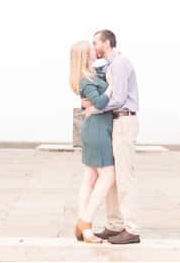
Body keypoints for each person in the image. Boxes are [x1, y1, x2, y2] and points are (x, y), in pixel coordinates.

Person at [83, 29, 141, 245]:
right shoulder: (110, 66)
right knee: (113, 176)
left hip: (124, 120)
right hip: (115, 121)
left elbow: (118, 98)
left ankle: (132, 229)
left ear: (106, 43)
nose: (93, 46)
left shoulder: (120, 63)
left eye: (95, 42)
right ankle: (114, 225)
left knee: (125, 175)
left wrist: (94, 110)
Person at [68, 40, 114, 243]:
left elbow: (106, 70)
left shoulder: (92, 74)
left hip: (96, 126)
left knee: (90, 176)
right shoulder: (85, 80)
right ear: (86, 55)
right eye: (91, 49)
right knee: (108, 175)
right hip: (96, 129)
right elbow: (101, 102)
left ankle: (83, 227)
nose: (95, 51)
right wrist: (112, 86)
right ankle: (86, 222)